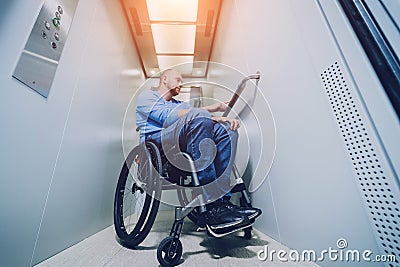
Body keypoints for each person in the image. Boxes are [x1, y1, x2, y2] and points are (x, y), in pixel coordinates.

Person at [136, 69, 261, 232]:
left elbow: (192, 116)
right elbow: (166, 117)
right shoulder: (147, 97)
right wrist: (209, 111)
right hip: (157, 140)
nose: (181, 84)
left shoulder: (180, 105)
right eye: (178, 79)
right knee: (201, 120)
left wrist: (216, 114)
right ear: (164, 79)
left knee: (227, 131)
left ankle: (222, 203)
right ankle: (211, 204)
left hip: (180, 141)